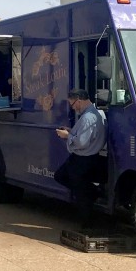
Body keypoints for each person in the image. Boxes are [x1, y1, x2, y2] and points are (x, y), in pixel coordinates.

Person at [54, 88, 107, 229]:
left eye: (72, 104)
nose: (72, 108)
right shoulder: (96, 114)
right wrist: (72, 131)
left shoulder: (88, 117)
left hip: (82, 158)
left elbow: (82, 142)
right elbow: (86, 135)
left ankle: (88, 215)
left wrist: (67, 136)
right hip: (89, 157)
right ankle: (91, 195)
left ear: (79, 100)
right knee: (75, 184)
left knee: (71, 183)